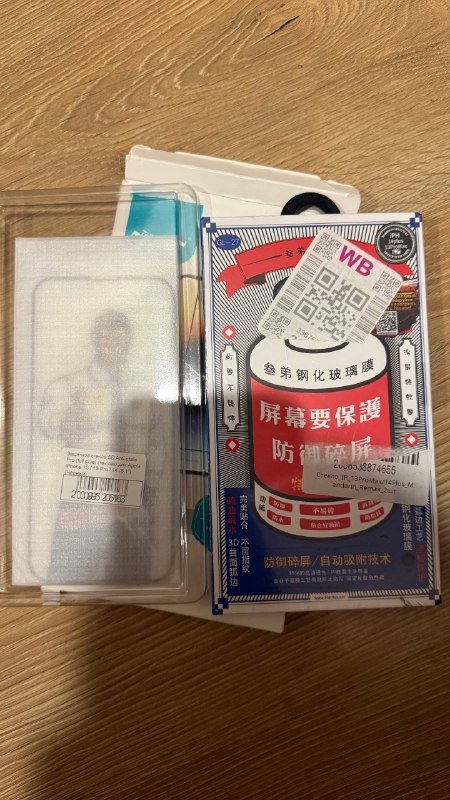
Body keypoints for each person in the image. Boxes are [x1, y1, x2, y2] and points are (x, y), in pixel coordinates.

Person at [40, 310, 172, 585]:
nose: (113, 341)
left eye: (119, 335)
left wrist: (149, 490)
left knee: (132, 579)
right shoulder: (70, 386)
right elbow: (48, 423)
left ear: (128, 341)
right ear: (95, 339)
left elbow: (157, 446)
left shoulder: (142, 391)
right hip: (82, 501)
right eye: (107, 334)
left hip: (132, 504)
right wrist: (71, 421)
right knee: (71, 578)